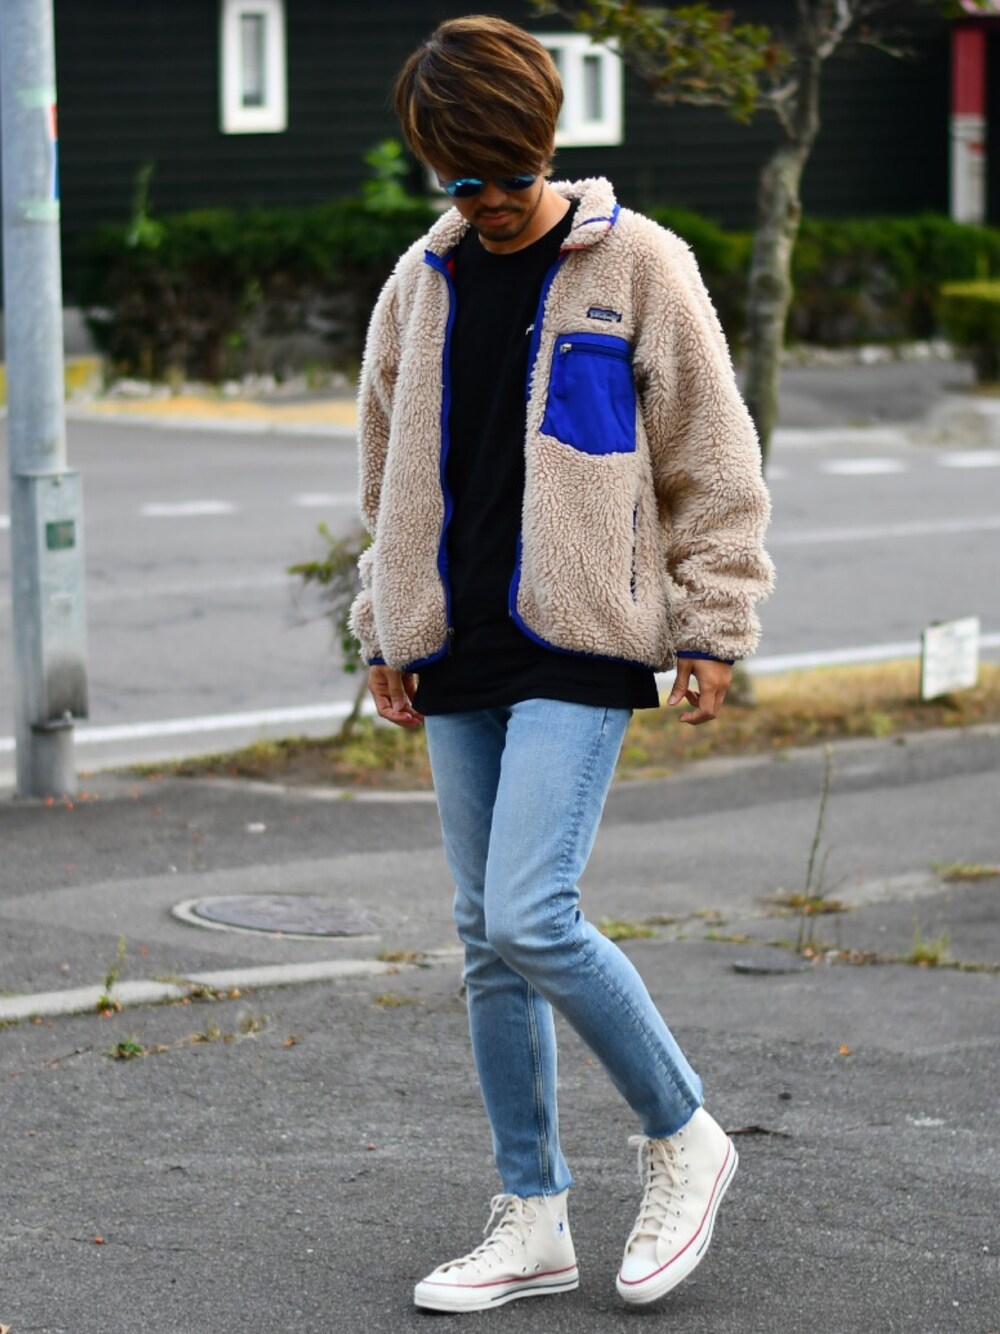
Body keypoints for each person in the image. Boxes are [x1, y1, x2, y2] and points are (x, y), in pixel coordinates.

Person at [349, 14, 774, 1314]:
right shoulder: (421, 282)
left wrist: (714, 621)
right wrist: (385, 625)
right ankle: (532, 1217)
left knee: (531, 912)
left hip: (583, 638)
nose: (483, 202)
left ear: (546, 145)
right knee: (486, 941)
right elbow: (382, 469)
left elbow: (713, 455)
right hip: (456, 643)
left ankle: (685, 1133)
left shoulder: (640, 264)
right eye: (457, 179)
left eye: (505, 175)